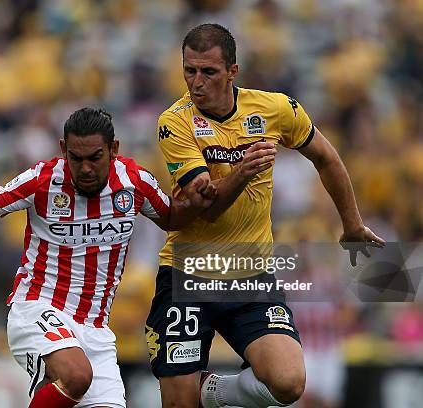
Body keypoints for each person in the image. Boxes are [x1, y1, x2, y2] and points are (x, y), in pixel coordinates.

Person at [0, 107, 260, 408]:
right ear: (63, 150)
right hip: (37, 308)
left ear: (114, 149)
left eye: (95, 157)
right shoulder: (42, 180)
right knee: (76, 376)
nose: (86, 168)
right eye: (76, 158)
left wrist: (206, 196)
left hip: (95, 329)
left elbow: (172, 218)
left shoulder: (135, 182)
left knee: (84, 377)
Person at [144, 24, 386, 408]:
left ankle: (210, 391)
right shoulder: (174, 123)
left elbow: (326, 157)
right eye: (189, 70)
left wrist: (351, 223)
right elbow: (206, 209)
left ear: (232, 72)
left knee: (289, 384)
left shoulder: (275, 109)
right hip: (187, 274)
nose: (197, 82)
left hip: (249, 274)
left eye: (208, 72)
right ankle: (192, 393)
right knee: (178, 405)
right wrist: (243, 171)